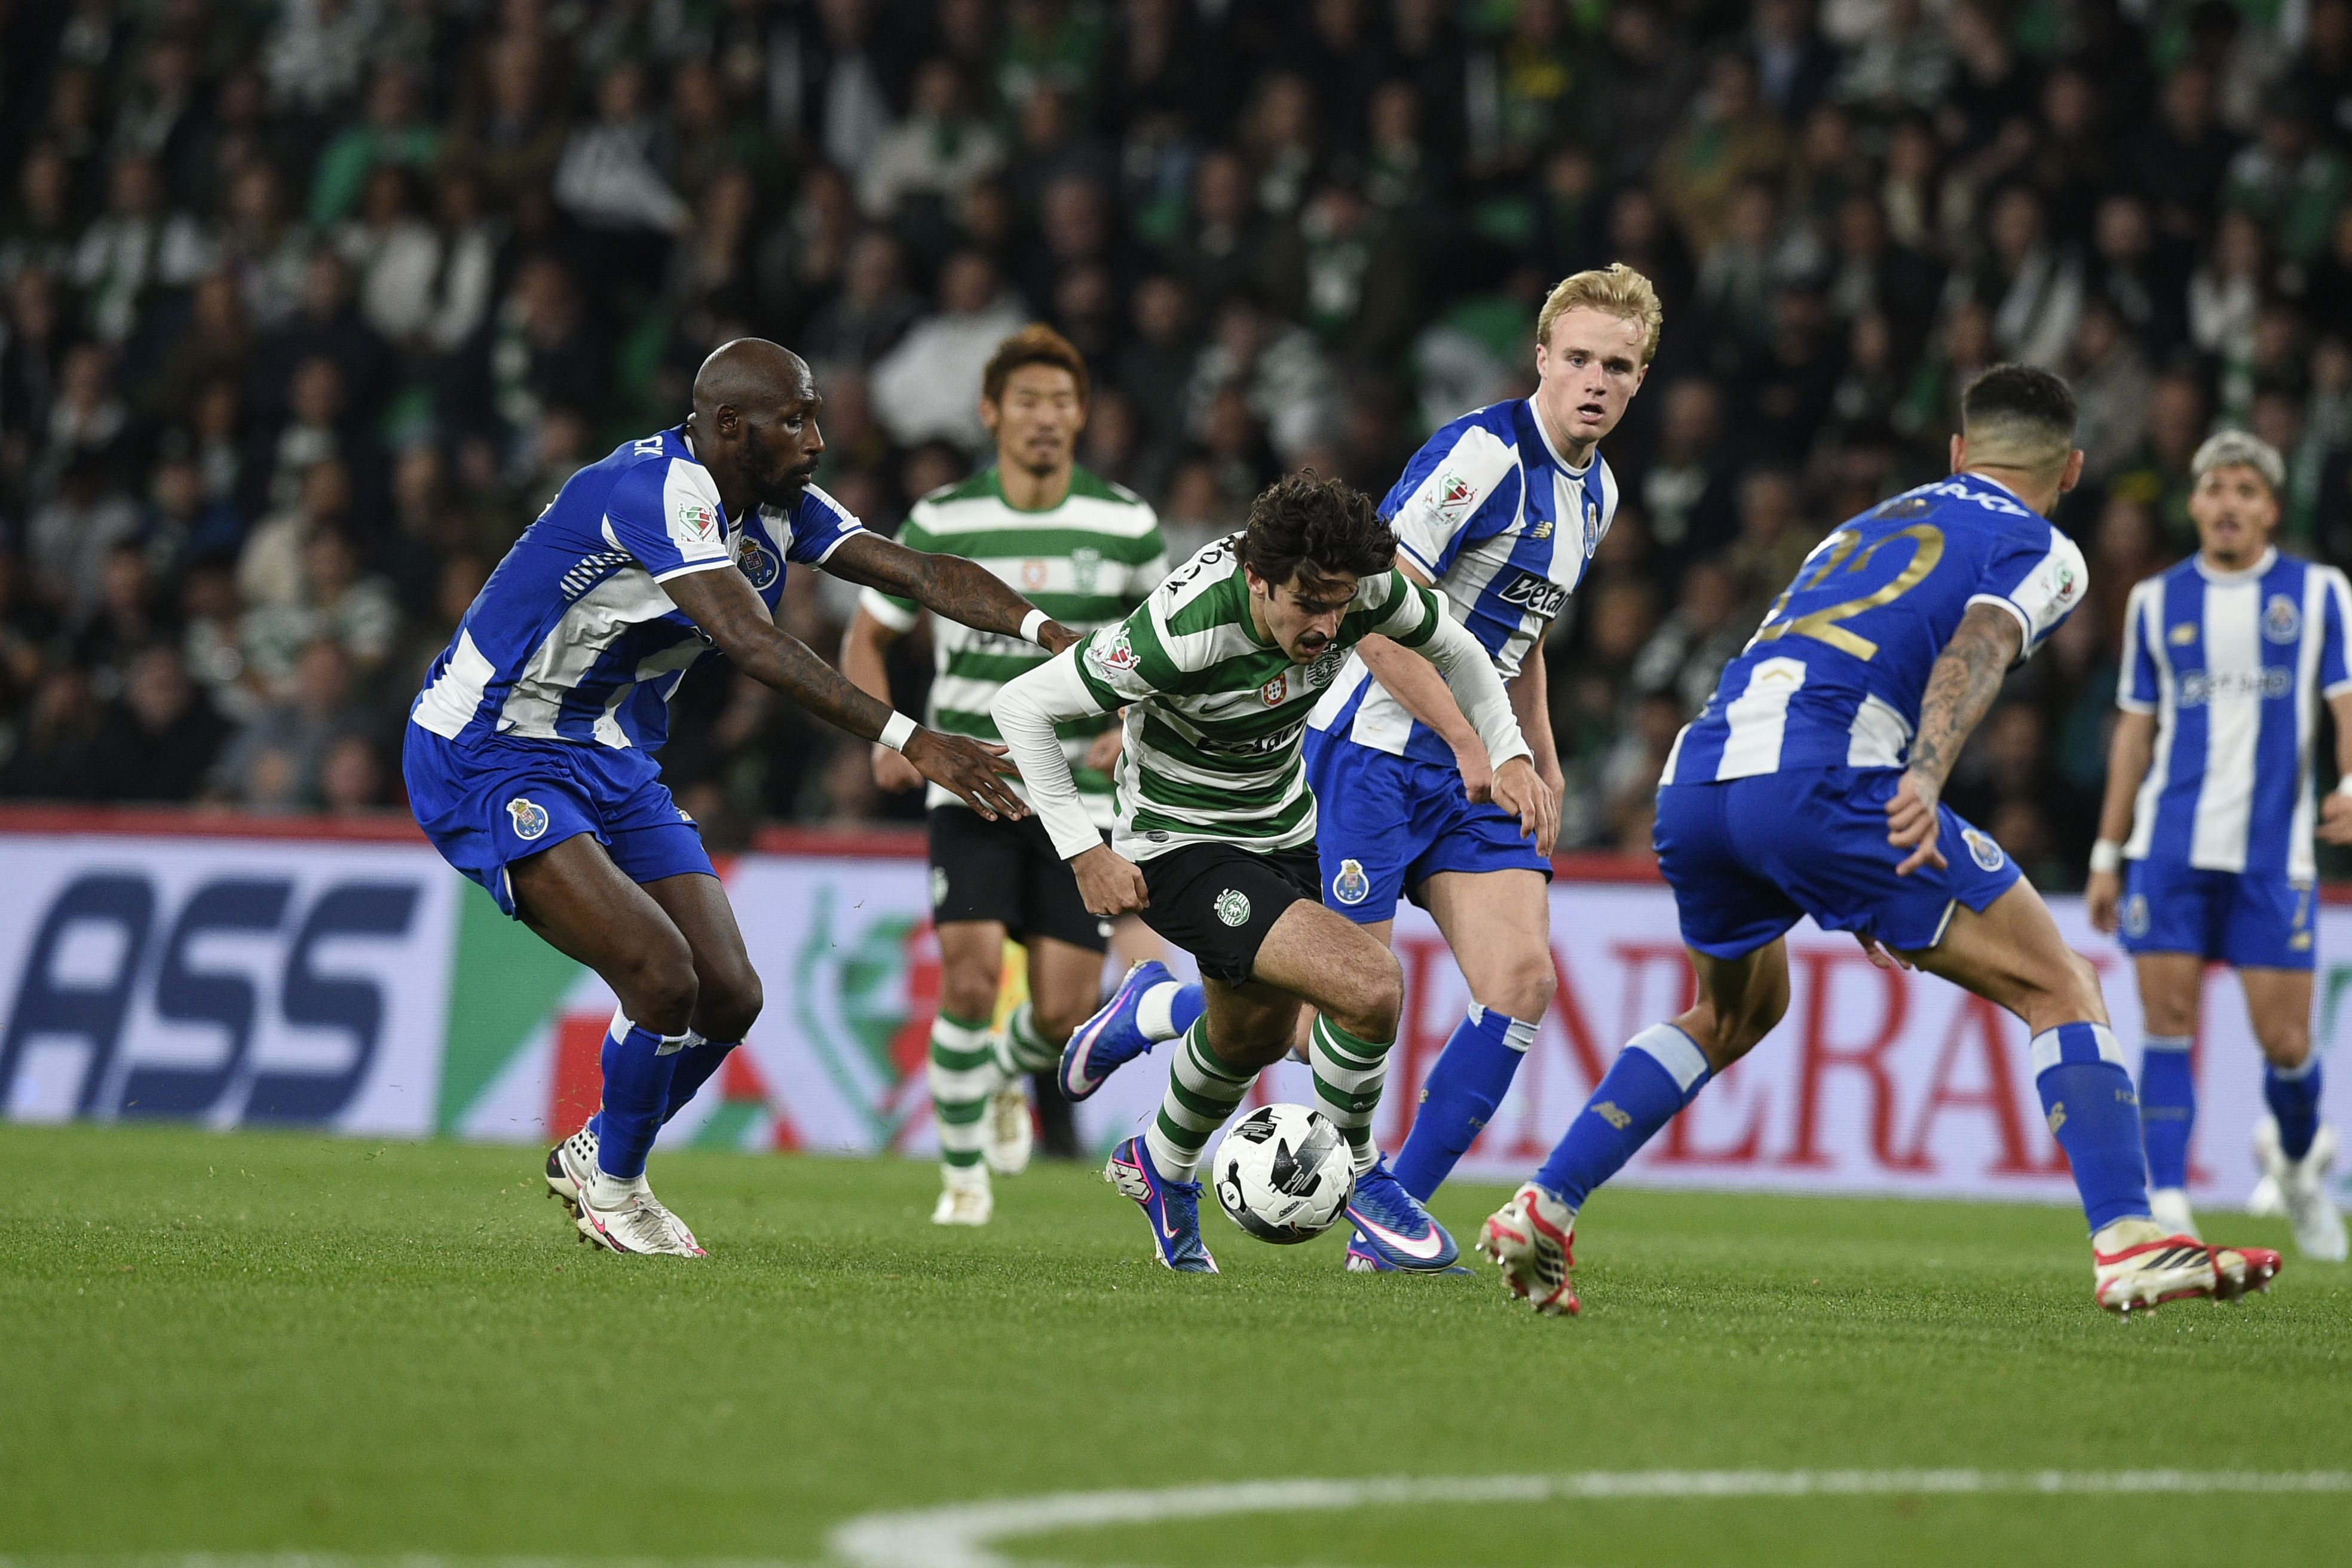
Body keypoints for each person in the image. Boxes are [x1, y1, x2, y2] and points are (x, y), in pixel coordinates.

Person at [1477, 365, 2284, 1316]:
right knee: (2060, 983)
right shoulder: (2045, 547)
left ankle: (1547, 1203)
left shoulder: (1868, 523)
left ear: (1956, 454)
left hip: (1700, 780)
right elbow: (1980, 645)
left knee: (1736, 1011)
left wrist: (1836, 865)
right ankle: (2128, 1241)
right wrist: (1922, 779)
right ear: (2070, 470)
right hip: (1828, 776)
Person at [403, 339, 1073, 1257]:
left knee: (730, 995)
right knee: (659, 974)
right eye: (793, 419)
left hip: (605, 752)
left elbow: (916, 572)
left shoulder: (776, 504)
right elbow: (752, 643)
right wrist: (914, 740)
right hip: (487, 748)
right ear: (729, 427)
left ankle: (604, 1153)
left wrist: (1051, 635)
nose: (817, 437)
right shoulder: (657, 492)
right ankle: (618, 1190)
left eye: (815, 414)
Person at [1058, 265, 1650, 1272]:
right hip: (1371, 754)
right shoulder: (1476, 457)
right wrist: (1473, 743)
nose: (1597, 380)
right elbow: (1371, 621)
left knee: (1521, 981)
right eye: (1581, 358)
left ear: (1640, 380)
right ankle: (1158, 1006)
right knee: (1316, 1014)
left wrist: (1534, 756)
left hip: (1478, 776)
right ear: (1542, 359)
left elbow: (1524, 636)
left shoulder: (1599, 493)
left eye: (1621, 366)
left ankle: (1384, 1223)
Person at [992, 472, 1546, 1274]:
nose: (1326, 624)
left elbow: (1457, 648)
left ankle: (1159, 1162)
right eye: (1308, 602)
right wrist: (1084, 849)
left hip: (1284, 828)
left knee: (1255, 1035)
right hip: (1180, 843)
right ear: (1259, 580)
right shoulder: (1185, 628)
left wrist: (1511, 749)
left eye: (1339, 605)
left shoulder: (1356, 593)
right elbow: (1022, 709)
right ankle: (1359, 1169)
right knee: (1369, 986)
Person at [841, 325, 1168, 1226]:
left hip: (1082, 800)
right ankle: (961, 1183)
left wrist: (1135, 726)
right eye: (1027, 401)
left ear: (1083, 416)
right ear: (991, 413)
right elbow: (870, 631)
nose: (1045, 419)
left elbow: (1172, 653)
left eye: (1062, 403)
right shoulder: (942, 520)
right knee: (973, 979)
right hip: (972, 783)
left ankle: (994, 1075)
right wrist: (890, 736)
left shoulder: (1128, 524)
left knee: (1064, 1016)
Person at [2085, 430, 2352, 1263]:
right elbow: (2135, 732)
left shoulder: (2317, 594)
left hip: (2275, 858)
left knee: (2287, 1046)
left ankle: (2301, 1164)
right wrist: (2107, 849)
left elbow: (2347, 702)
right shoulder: (2156, 602)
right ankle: (2168, 1204)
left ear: (2270, 508)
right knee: (2166, 1024)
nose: (2229, 503)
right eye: (2215, 488)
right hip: (2168, 849)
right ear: (2195, 503)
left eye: (2246, 490)